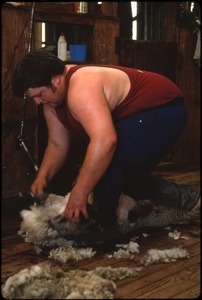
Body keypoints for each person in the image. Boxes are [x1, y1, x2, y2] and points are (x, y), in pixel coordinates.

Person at [12, 49, 200, 225]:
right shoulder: (51, 103)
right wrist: (43, 176)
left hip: (165, 109)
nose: (37, 101)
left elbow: (105, 142)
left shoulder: (81, 87)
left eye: (39, 94)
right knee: (123, 182)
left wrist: (80, 193)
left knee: (105, 160)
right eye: (33, 98)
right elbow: (57, 145)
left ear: (55, 79)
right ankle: (192, 200)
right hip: (141, 116)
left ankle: (101, 224)